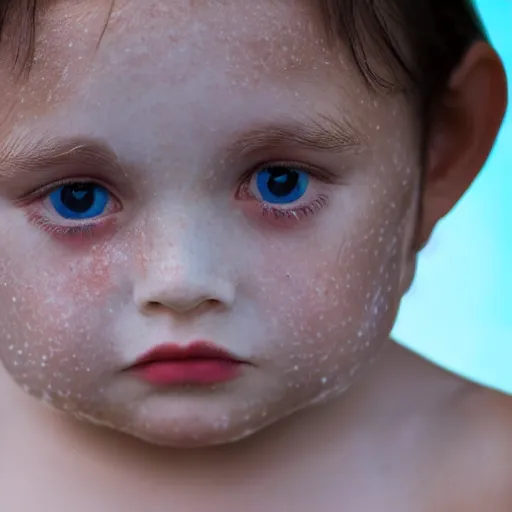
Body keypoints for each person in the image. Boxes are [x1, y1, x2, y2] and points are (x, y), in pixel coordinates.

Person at [0, 0, 510, 510]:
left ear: (443, 149)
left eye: (280, 183)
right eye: (77, 196)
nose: (181, 283)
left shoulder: (486, 478)